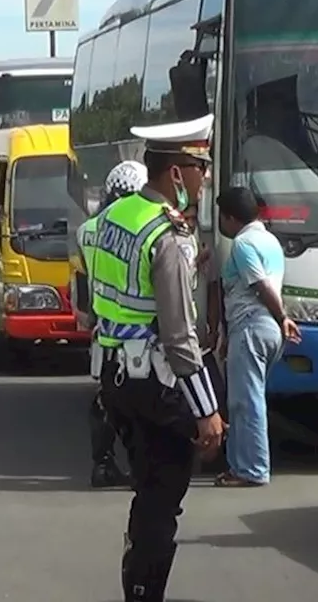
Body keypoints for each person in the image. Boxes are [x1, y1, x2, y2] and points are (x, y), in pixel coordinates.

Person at [90, 114, 225, 602]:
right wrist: (206, 410)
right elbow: (180, 337)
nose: (204, 178)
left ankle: (136, 577)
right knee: (164, 498)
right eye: (200, 167)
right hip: (158, 382)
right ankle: (145, 587)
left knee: (147, 488)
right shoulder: (166, 234)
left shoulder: (113, 218)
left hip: (117, 374)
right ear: (176, 174)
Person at [213, 186, 300, 488]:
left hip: (252, 326)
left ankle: (252, 469)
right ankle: (239, 466)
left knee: (246, 401)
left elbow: (261, 286)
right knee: (243, 398)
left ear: (229, 217)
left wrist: (283, 317)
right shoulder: (270, 240)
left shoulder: (243, 243)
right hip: (259, 330)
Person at [74, 159, 149, 489]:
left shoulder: (86, 230)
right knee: (145, 403)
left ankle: (102, 463)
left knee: (106, 399)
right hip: (140, 328)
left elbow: (83, 283)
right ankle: (143, 467)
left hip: (102, 329)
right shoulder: (143, 225)